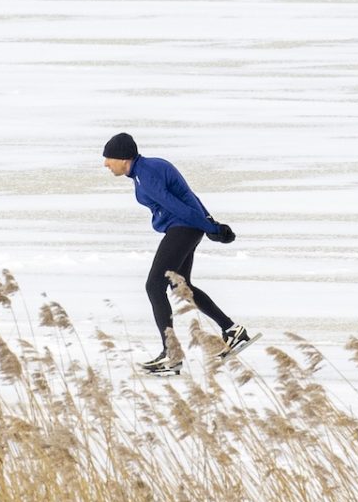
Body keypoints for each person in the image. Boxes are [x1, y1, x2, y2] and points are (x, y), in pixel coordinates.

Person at [102, 132, 256, 375]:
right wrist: (209, 223)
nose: (105, 164)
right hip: (186, 226)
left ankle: (171, 355)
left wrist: (211, 227)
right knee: (181, 287)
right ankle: (232, 331)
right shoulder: (145, 171)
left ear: (123, 158)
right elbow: (188, 197)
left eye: (108, 158)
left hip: (183, 227)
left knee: (154, 286)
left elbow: (178, 205)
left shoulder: (147, 173)